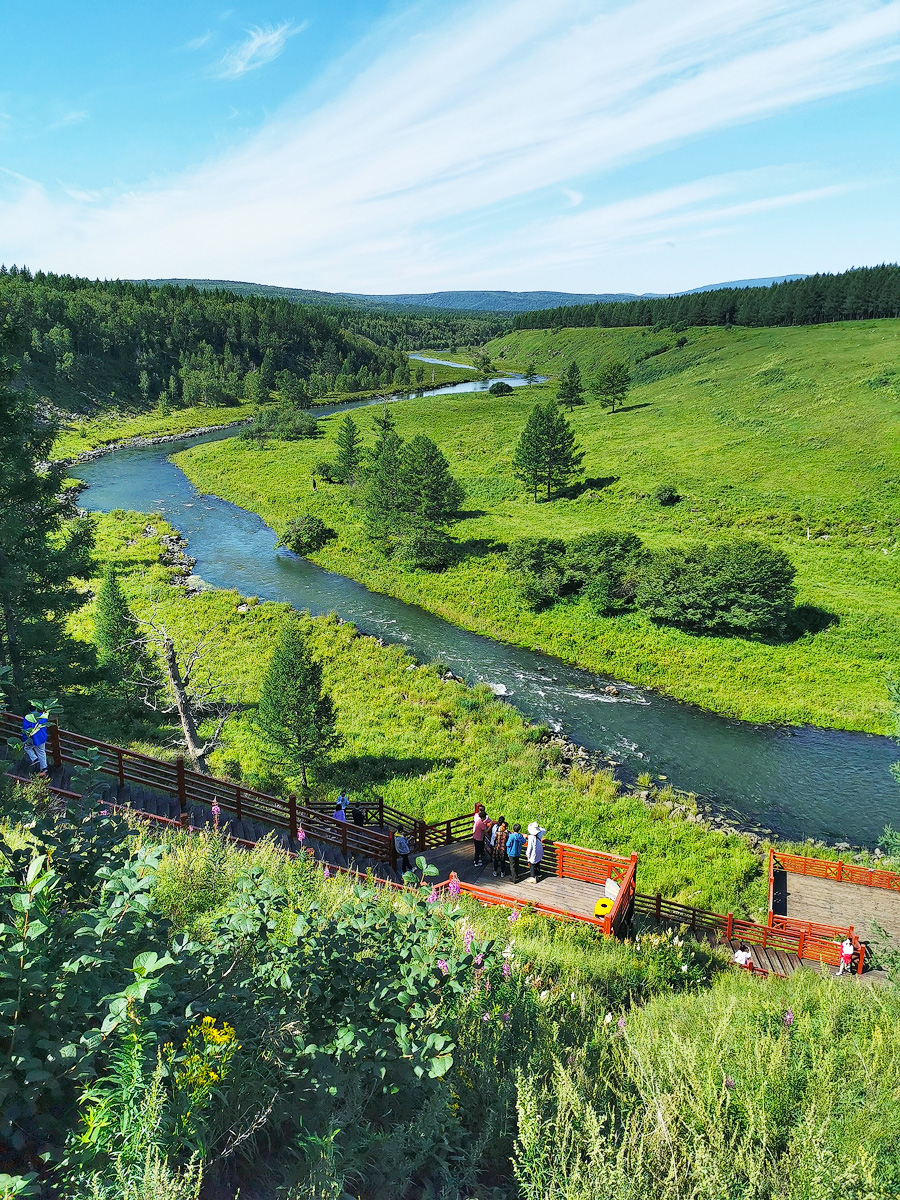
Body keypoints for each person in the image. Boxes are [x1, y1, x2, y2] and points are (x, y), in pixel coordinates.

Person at [22, 708, 50, 776]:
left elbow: (25, 730)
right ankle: (44, 768)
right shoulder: (42, 716)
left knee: (27, 748)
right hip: (41, 737)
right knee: (41, 752)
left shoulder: (27, 718)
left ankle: (34, 759)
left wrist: (25, 739)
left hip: (32, 738)